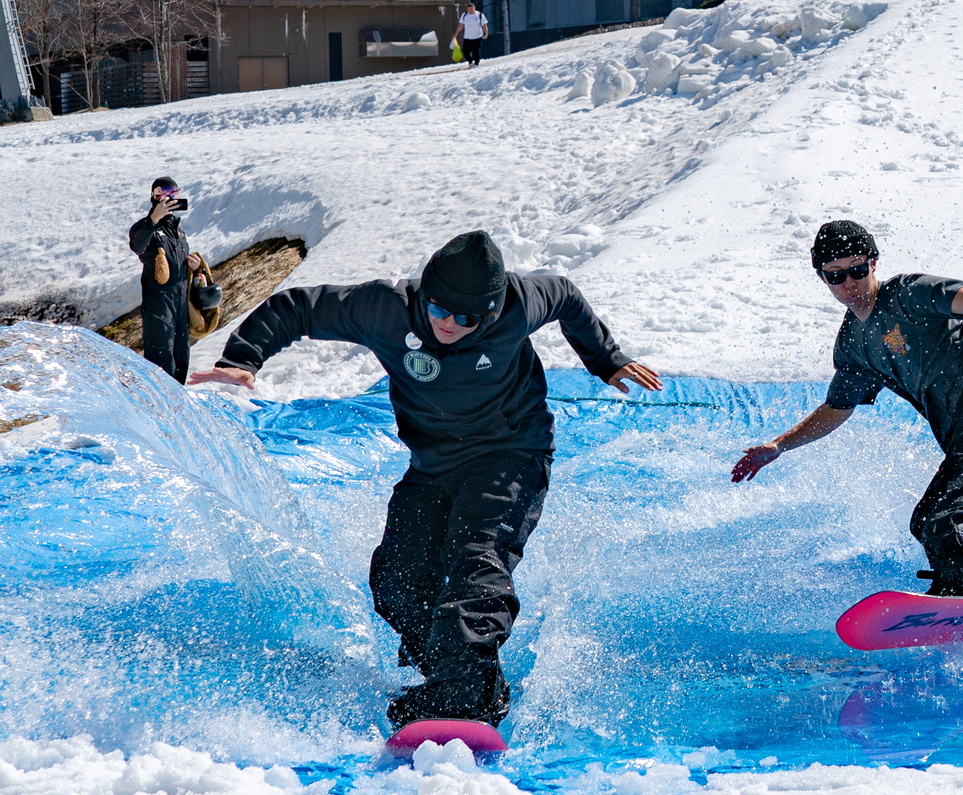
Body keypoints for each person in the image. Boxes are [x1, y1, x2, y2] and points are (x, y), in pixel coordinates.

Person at [192, 230, 661, 728]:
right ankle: (446, 674)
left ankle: (466, 691)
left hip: (511, 453)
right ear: (426, 295)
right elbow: (295, 308)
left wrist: (605, 360)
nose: (451, 325)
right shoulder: (386, 308)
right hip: (433, 464)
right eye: (441, 311)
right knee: (397, 579)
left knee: (476, 560)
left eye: (468, 318)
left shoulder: (520, 303)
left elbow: (565, 293)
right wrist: (243, 359)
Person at [730, 220, 963, 598]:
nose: (849, 283)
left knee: (948, 517)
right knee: (928, 521)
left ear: (873, 263)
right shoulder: (853, 343)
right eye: (836, 276)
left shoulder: (906, 294)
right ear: (823, 279)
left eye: (857, 270)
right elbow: (837, 409)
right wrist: (779, 445)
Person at [128, 176, 201, 382]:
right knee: (161, 360)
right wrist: (153, 220)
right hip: (158, 303)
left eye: (174, 193)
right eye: (163, 193)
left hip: (179, 302)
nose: (169, 197)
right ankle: (157, 408)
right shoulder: (144, 227)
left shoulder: (178, 231)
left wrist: (194, 267)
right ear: (154, 197)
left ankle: (176, 408)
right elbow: (137, 246)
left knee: (181, 358)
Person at [454, 1, 489, 68]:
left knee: (476, 51)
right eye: (468, 9)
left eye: (471, 9)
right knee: (465, 51)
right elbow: (461, 25)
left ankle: (476, 63)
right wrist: (456, 33)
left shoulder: (479, 15)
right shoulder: (464, 15)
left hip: (477, 36)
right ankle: (470, 62)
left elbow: (484, 25)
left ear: (474, 8)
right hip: (467, 37)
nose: (469, 11)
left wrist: (486, 33)